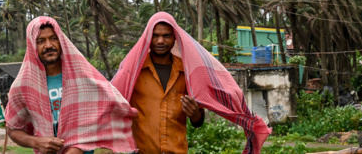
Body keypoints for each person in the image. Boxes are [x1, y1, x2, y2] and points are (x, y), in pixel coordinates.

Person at [113, 12, 271, 154]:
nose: (160, 41)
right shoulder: (133, 72)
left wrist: (195, 114)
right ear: (148, 37)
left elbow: (198, 121)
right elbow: (114, 103)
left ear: (175, 37)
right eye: (155, 35)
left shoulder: (188, 71)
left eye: (166, 36)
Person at [5, 17, 137, 154]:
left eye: (53, 38)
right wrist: (37, 142)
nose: (48, 45)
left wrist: (78, 146)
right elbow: (13, 129)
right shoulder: (24, 86)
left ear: (61, 40)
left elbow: (109, 107)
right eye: (40, 41)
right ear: (32, 45)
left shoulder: (83, 77)